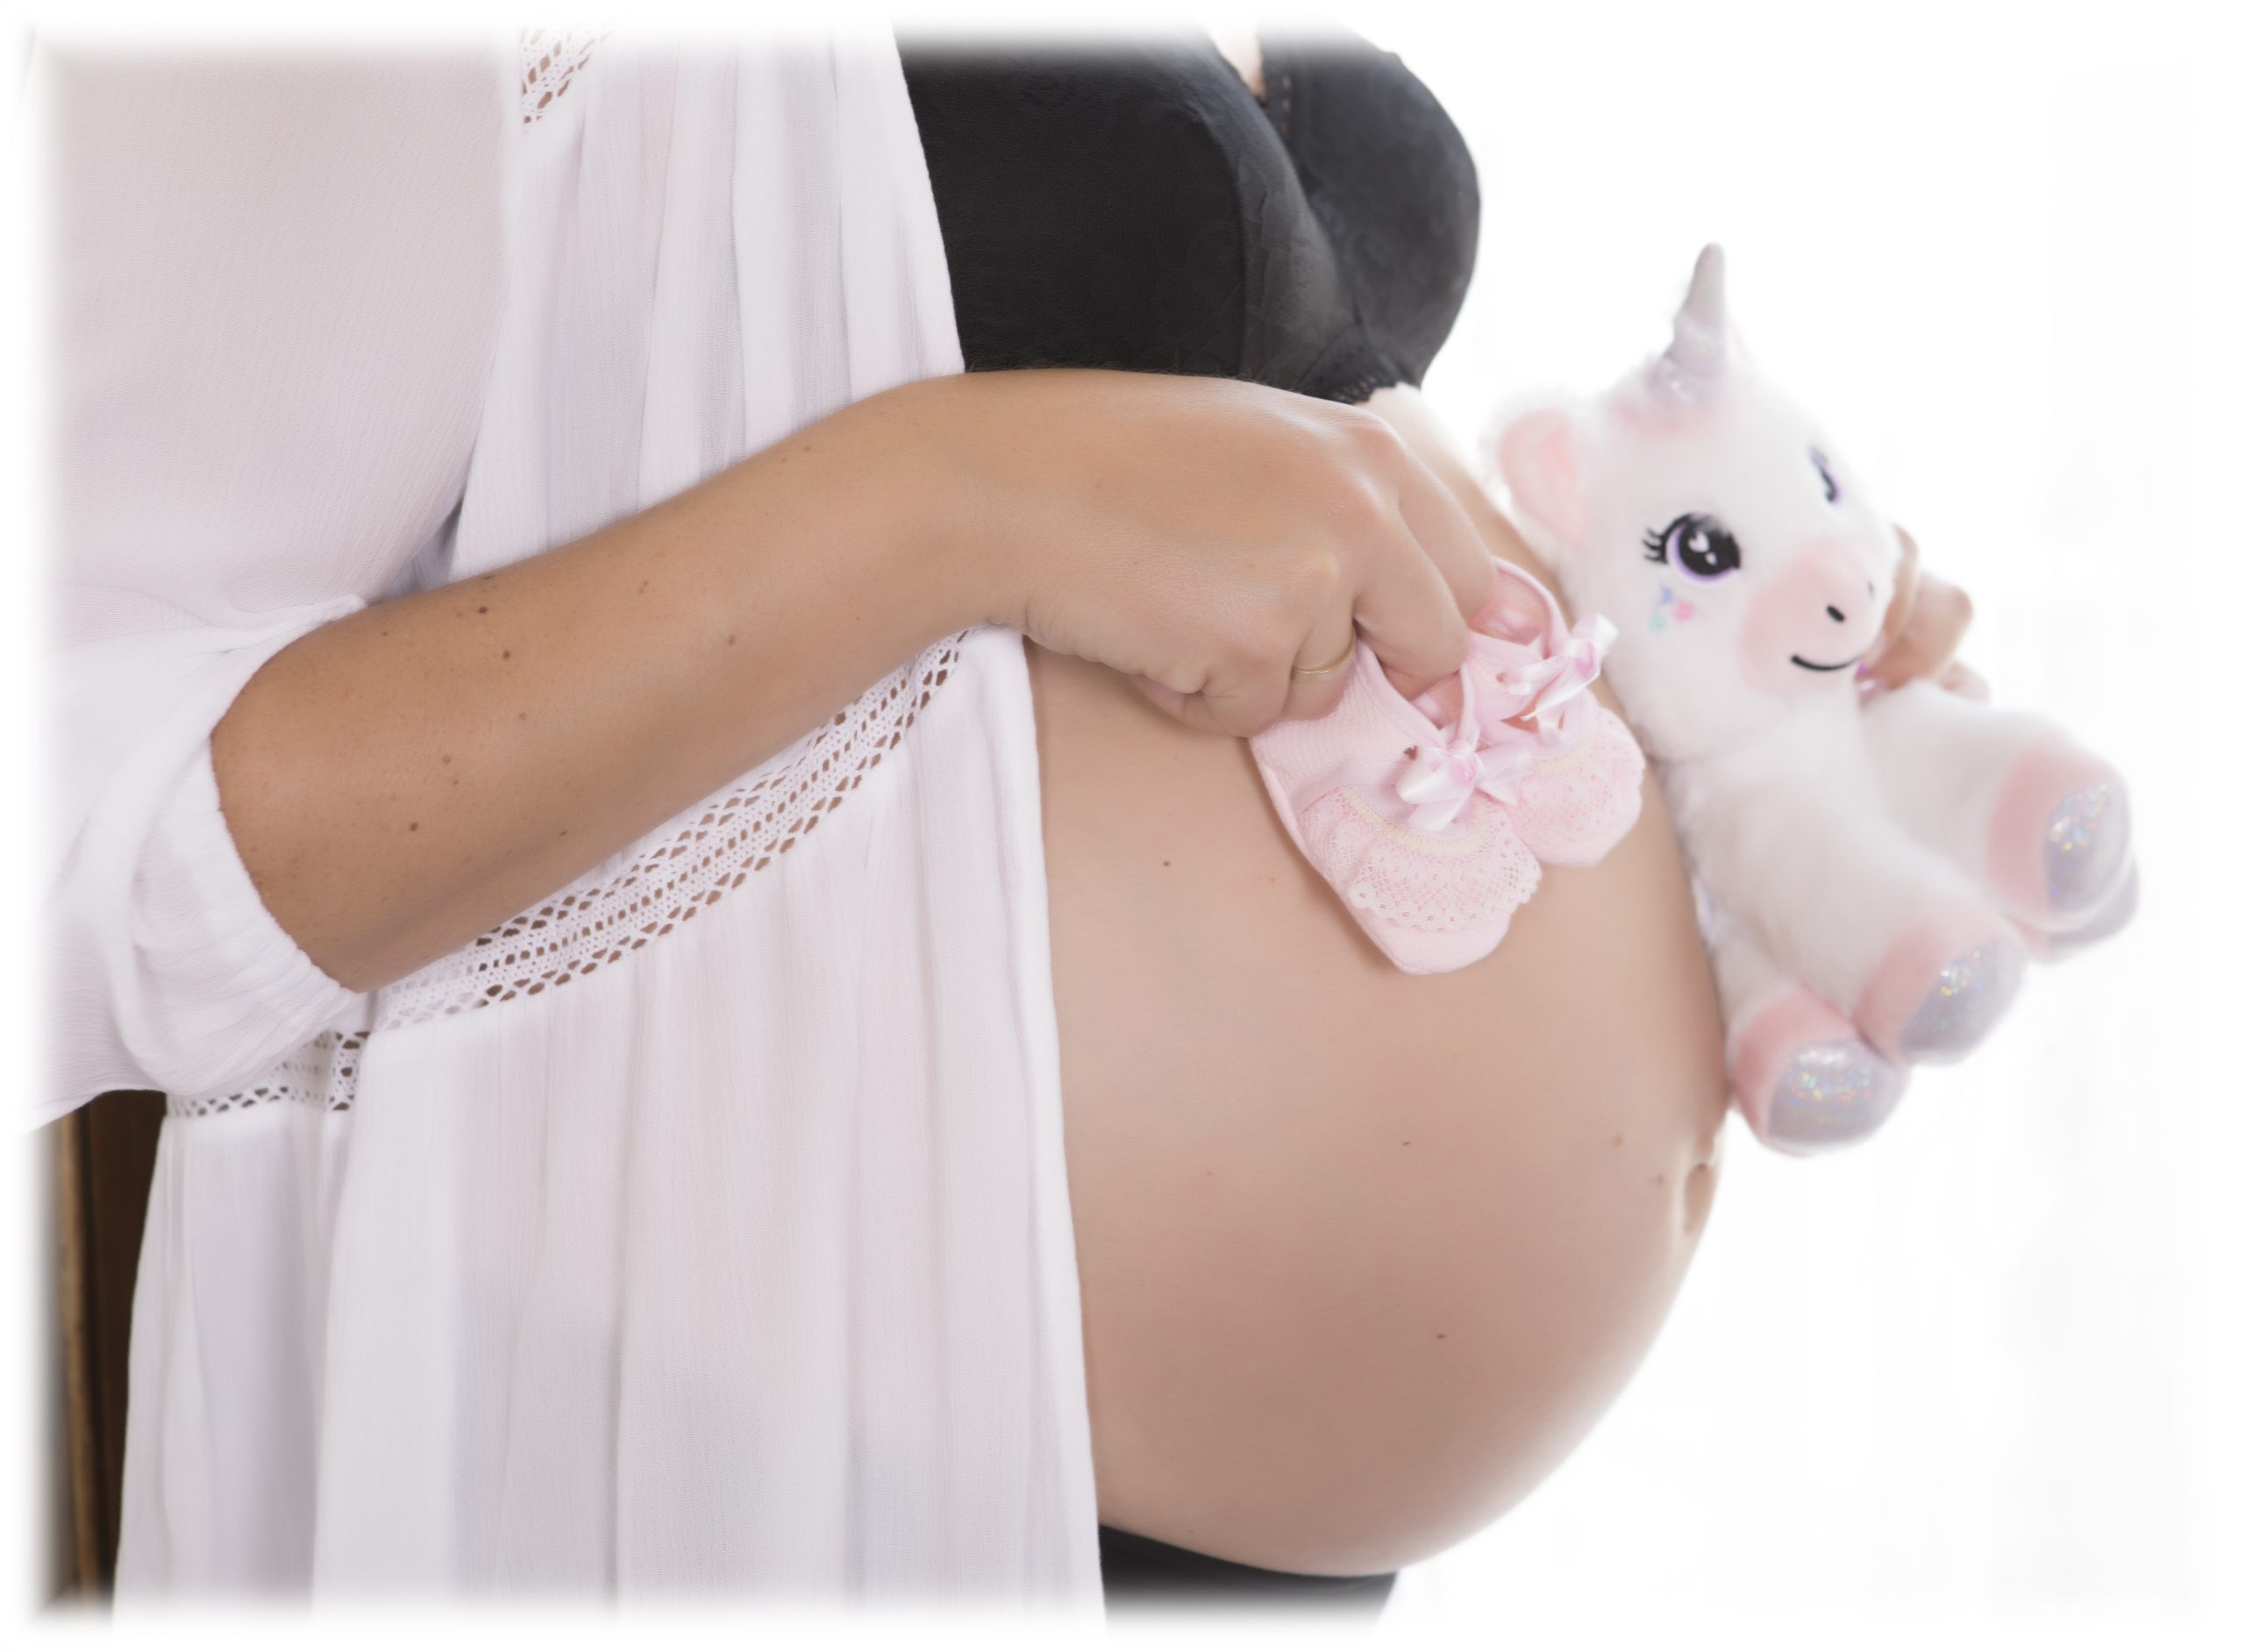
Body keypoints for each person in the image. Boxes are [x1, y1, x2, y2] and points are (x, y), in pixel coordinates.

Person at [39, 23, 1973, 1609]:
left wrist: (1723, 661)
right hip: (738, 1449)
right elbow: (74, 841)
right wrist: (961, 499)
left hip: (1186, 1516)